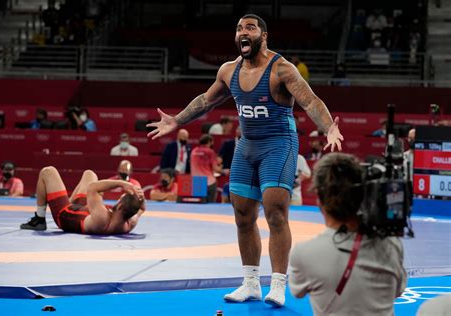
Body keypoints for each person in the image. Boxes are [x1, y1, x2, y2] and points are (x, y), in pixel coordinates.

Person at [147, 14, 343, 306]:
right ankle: (250, 283)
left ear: (264, 36)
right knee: (242, 216)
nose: (242, 32)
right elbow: (205, 100)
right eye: (239, 28)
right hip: (247, 146)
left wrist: (329, 127)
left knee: (275, 213)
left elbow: (310, 100)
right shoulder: (228, 70)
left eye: (249, 28)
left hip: (279, 144)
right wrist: (176, 120)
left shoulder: (282, 69)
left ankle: (277, 284)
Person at [289, 153, 407, 315]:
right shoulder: (391, 244)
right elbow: (398, 291)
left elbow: (297, 291)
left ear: (319, 199)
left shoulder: (303, 253)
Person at [20, 166, 145, 234]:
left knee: (48, 171)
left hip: (65, 214)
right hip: (85, 210)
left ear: (120, 207)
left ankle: (39, 219)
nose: (118, 199)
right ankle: (68, 200)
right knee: (89, 174)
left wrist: (121, 183)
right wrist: (139, 195)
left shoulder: (103, 219)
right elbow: (142, 208)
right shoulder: (130, 223)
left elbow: (93, 188)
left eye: (120, 198)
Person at [190, 134, 223, 203]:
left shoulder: (194, 151)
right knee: (210, 206)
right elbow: (216, 169)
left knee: (197, 205)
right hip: (209, 182)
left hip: (197, 181)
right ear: (209, 141)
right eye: (212, 142)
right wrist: (223, 169)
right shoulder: (210, 152)